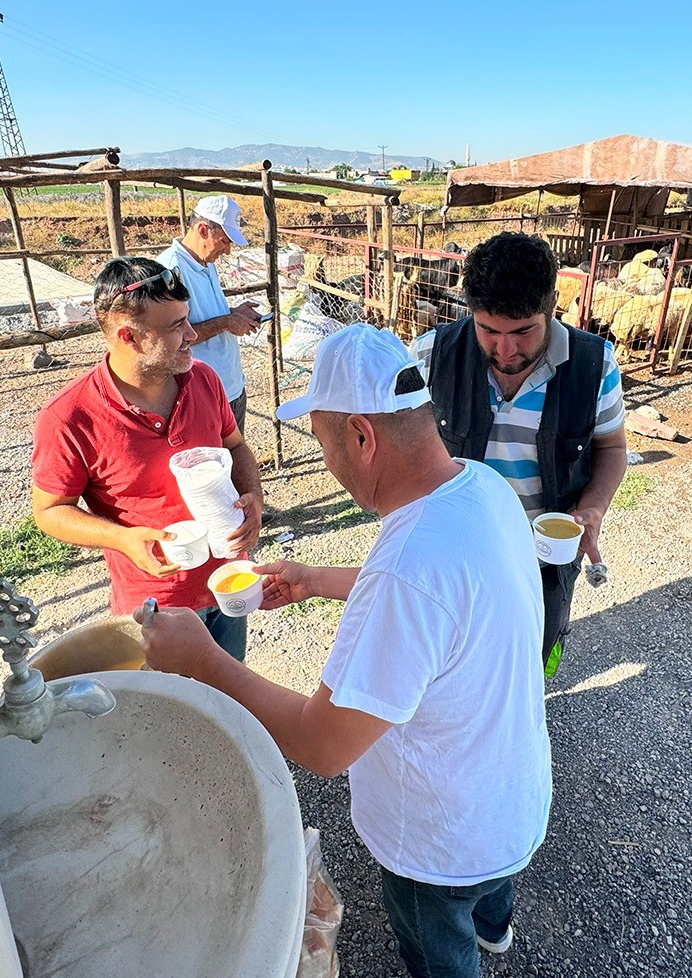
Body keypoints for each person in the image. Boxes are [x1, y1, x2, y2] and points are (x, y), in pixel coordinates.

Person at [136, 324, 552, 978]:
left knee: (438, 950)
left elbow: (324, 744)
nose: (328, 460)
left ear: (362, 436)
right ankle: (495, 929)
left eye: (325, 441)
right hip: (511, 797)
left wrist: (202, 661)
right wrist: (319, 581)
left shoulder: (406, 570)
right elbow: (447, 603)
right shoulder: (478, 485)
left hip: (441, 844)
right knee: (488, 897)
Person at [410, 231, 627, 677]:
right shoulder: (431, 356)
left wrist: (593, 509)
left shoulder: (595, 364)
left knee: (531, 653)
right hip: (454, 551)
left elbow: (613, 445)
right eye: (487, 330)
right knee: (450, 659)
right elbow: (400, 448)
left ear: (551, 305)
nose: (504, 351)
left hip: (545, 554)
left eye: (523, 331)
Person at [31, 256, 263, 660]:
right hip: (158, 600)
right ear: (128, 337)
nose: (193, 334)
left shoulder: (204, 380)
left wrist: (253, 499)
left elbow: (236, 446)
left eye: (186, 319)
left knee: (230, 699)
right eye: (176, 325)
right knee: (172, 713)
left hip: (228, 577)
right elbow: (50, 511)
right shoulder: (70, 416)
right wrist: (121, 539)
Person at [156, 194, 262, 431]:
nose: (227, 251)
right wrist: (227, 321)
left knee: (235, 459)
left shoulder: (206, 263)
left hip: (230, 386)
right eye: (224, 241)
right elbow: (172, 336)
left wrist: (235, 314)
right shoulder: (170, 270)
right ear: (203, 229)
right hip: (200, 393)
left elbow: (201, 315)